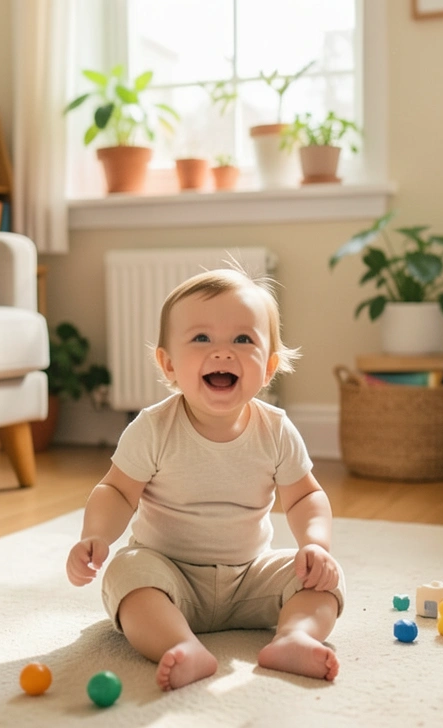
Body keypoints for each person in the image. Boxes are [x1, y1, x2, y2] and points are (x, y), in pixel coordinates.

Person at [66, 267, 343, 691]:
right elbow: (118, 491)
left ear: (268, 367)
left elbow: (306, 496)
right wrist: (96, 535)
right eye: (201, 339)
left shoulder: (276, 429)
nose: (223, 353)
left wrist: (314, 545)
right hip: (169, 576)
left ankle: (294, 636)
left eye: (242, 339)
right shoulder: (154, 428)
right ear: (168, 363)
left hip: (251, 578)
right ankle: (180, 645)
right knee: (126, 574)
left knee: (326, 579)